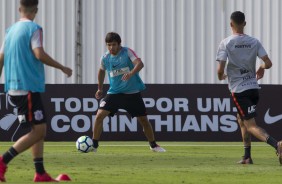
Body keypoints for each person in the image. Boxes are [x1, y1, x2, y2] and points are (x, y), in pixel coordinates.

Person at [0, 0, 72, 182]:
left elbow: (1, 57)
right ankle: (3, 161)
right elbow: (38, 53)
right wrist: (62, 67)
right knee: (39, 131)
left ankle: (40, 173)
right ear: (36, 10)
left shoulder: (10, 31)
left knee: (38, 128)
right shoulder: (34, 29)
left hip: (14, 87)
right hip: (28, 87)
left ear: (19, 9)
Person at [216, 11, 282, 165]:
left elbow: (220, 70)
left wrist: (221, 77)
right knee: (241, 120)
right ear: (244, 24)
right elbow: (269, 63)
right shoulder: (254, 41)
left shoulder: (226, 43)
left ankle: (276, 144)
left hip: (239, 90)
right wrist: (261, 67)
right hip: (253, 88)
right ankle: (247, 156)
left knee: (251, 125)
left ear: (231, 24)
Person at [92, 32, 165, 153]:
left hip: (132, 94)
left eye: (114, 45)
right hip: (114, 93)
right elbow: (101, 71)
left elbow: (140, 64)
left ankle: (153, 146)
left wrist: (131, 73)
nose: (111, 48)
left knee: (144, 121)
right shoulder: (105, 57)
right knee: (99, 116)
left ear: (119, 44)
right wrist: (100, 88)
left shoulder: (127, 52)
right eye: (108, 45)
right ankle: (94, 146)